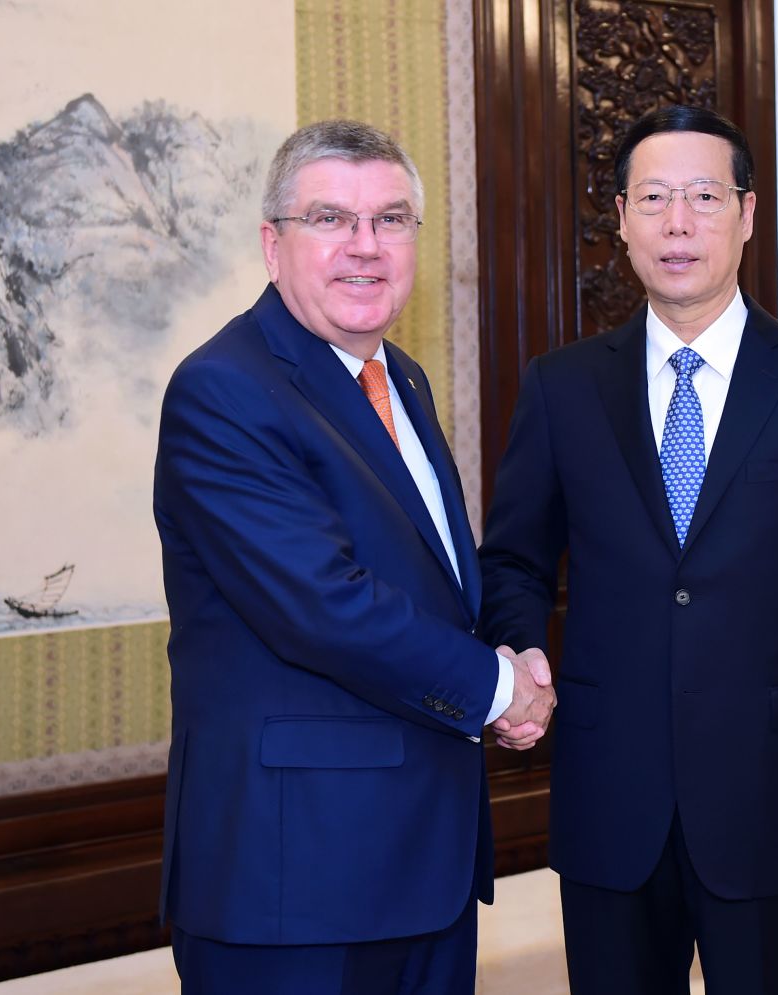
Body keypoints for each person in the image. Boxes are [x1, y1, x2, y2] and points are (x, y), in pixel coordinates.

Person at [477, 105, 778, 994]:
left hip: (775, 797)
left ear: (747, 215)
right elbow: (515, 560)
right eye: (655, 198)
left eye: (705, 196)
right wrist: (520, 649)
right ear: (623, 219)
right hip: (609, 797)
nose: (679, 223)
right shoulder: (562, 386)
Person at [153, 119, 555, 995]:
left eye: (392, 219)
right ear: (273, 242)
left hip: (423, 866)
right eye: (331, 219)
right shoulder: (223, 389)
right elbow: (323, 604)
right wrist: (498, 690)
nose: (365, 247)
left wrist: (516, 652)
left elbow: (435, 581)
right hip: (296, 881)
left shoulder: (397, 376)